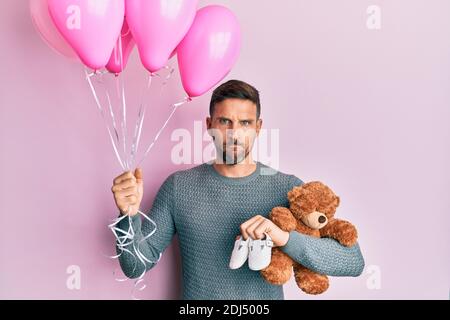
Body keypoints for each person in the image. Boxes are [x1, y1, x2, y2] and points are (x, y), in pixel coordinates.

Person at [111, 80, 365, 299]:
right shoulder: (179, 187)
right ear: (209, 124)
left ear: (258, 127)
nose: (234, 133)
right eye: (225, 121)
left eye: (244, 123)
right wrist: (128, 217)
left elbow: (353, 261)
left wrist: (284, 238)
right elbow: (135, 266)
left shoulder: (289, 189)